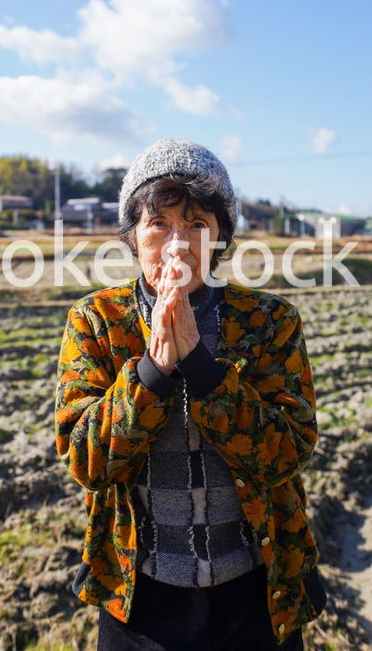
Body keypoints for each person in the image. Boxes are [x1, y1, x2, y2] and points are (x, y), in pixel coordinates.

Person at [55, 139, 327, 650]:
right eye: (159, 223)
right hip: (142, 598)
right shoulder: (97, 321)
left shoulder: (270, 321)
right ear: (133, 236)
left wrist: (202, 369)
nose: (179, 244)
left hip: (256, 592)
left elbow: (288, 453)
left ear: (221, 236)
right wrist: (154, 369)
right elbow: (86, 461)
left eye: (198, 225)